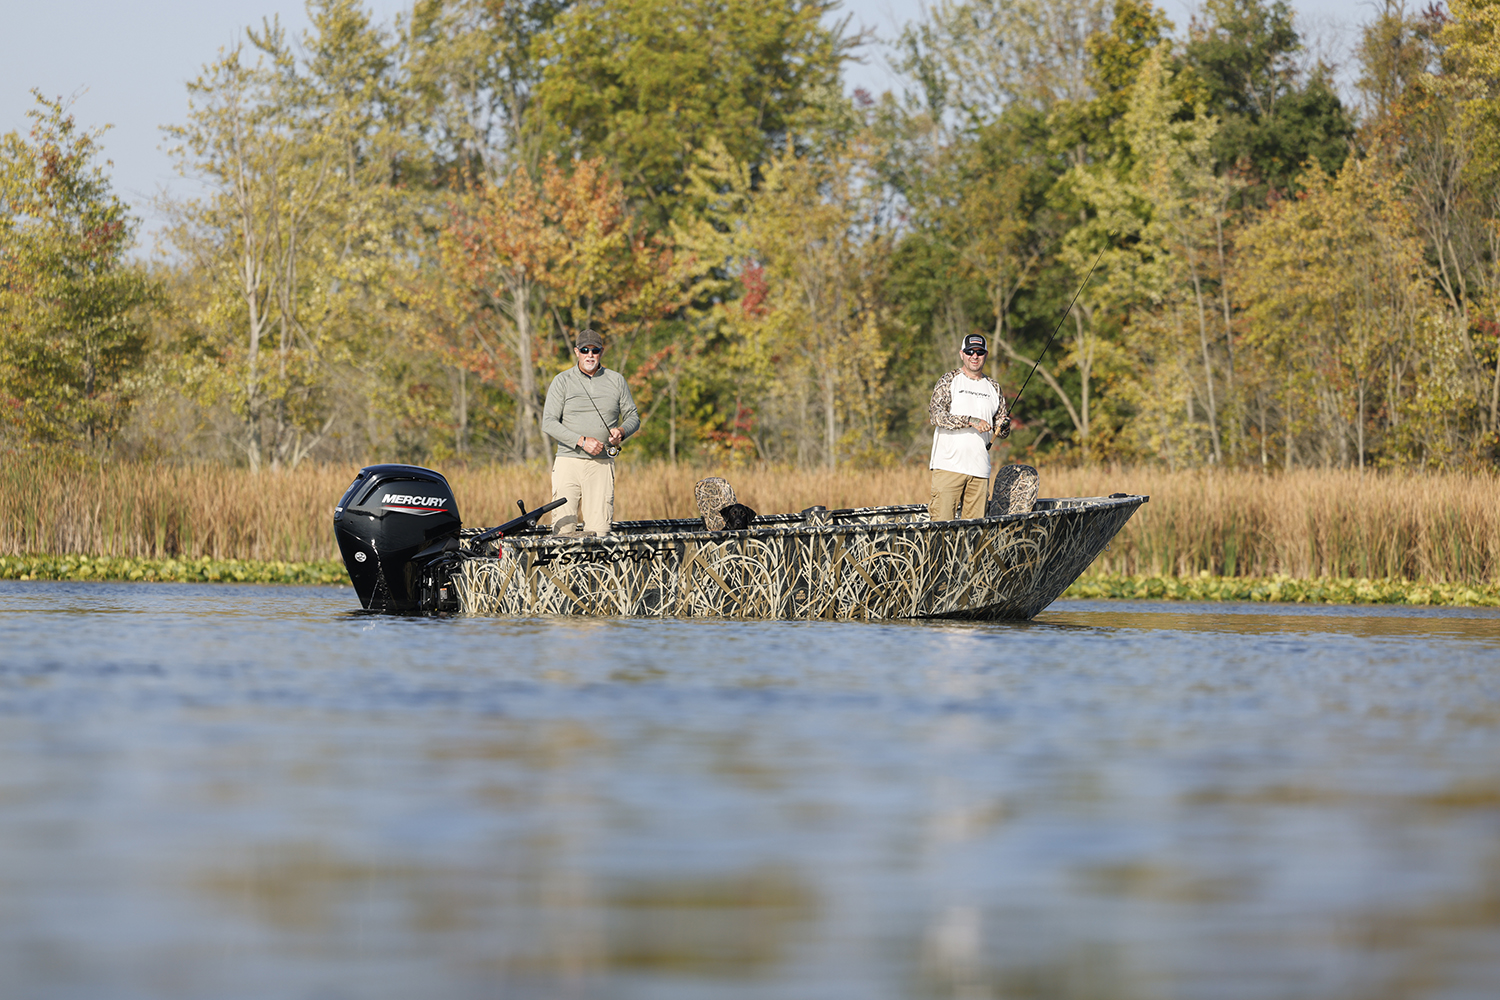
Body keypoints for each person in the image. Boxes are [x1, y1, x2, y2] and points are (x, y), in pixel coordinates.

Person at [541, 329, 640, 535]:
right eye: (585, 350)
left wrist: (621, 431)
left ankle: (595, 568)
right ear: (577, 352)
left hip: (602, 464)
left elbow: (633, 417)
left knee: (600, 531)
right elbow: (548, 423)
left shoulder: (617, 380)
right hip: (568, 462)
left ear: (601, 352)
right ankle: (564, 568)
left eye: (595, 350)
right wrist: (581, 441)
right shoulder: (562, 381)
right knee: (562, 530)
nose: (590, 355)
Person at [928, 333, 1011, 520]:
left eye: (979, 352)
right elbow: (936, 415)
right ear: (962, 354)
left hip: (980, 471)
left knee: (974, 535)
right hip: (948, 467)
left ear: (986, 355)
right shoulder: (949, 380)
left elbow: (1001, 427)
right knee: (941, 530)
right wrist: (970, 420)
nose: (975, 356)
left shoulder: (994, 387)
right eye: (970, 351)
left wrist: (1004, 426)